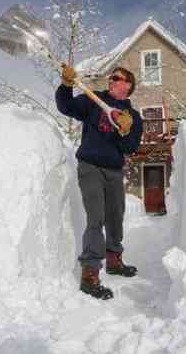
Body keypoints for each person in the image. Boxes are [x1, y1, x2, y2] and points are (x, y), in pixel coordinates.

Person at [56, 65, 143, 300]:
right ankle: (90, 274)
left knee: (115, 216)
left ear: (128, 85)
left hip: (114, 170)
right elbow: (66, 106)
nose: (112, 80)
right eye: (112, 77)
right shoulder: (94, 101)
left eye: (118, 78)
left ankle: (114, 259)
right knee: (96, 217)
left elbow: (130, 147)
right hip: (90, 166)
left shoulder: (134, 117)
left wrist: (123, 131)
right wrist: (66, 85)